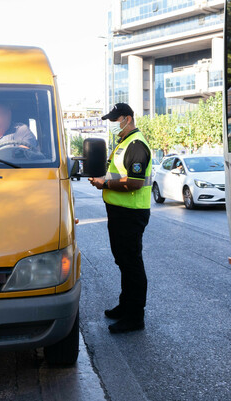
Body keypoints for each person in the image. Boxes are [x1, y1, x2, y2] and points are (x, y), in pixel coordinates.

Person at [89, 103, 152, 334]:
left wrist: (104, 183)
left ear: (127, 118)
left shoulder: (136, 145)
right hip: (119, 212)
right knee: (123, 261)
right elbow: (118, 174)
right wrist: (101, 179)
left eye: (115, 120)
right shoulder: (123, 144)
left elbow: (134, 182)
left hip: (131, 213)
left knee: (131, 263)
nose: (112, 125)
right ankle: (126, 306)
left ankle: (135, 316)